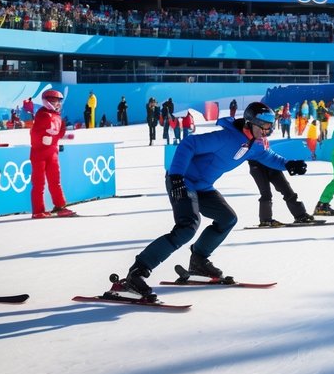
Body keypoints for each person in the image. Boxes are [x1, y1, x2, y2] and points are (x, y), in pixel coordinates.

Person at [112, 102, 306, 301]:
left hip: (203, 186)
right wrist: (177, 175)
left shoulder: (254, 144)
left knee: (227, 218)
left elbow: (268, 156)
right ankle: (136, 273)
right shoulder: (225, 137)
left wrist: (288, 164)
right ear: (250, 123)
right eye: (264, 125)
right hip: (182, 181)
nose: (268, 130)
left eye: (270, 125)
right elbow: (188, 144)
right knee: (187, 227)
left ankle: (199, 260)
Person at [29, 89, 76, 218]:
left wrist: (65, 136)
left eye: (59, 101)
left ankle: (60, 206)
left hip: (52, 153)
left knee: (55, 181)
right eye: (55, 101)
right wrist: (42, 139)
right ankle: (38, 210)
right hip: (39, 154)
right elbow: (35, 133)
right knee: (39, 183)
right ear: (47, 101)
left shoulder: (57, 116)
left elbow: (57, 132)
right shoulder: (42, 114)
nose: (58, 104)